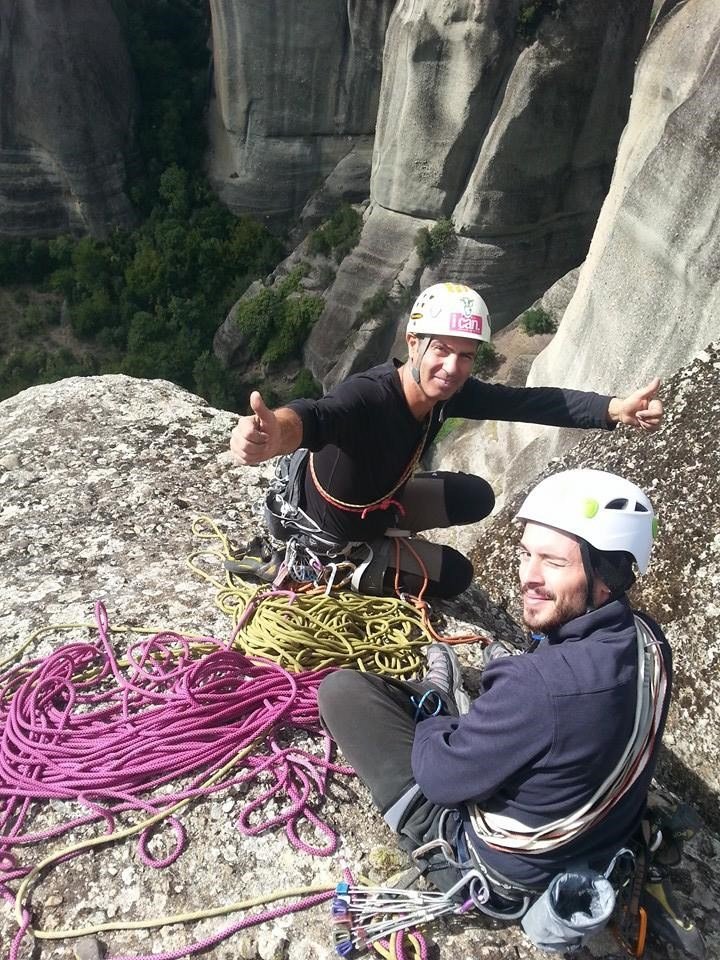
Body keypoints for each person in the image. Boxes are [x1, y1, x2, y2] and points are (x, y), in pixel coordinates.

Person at [318, 469, 702, 955]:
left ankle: (439, 692)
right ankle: (465, 706)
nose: (528, 576)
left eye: (554, 562)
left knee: (342, 692)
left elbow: (439, 777)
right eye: (526, 553)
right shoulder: (650, 640)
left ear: (608, 576)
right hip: (600, 840)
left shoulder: (536, 685)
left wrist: (442, 721)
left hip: (496, 874)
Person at [229, 282, 663, 597]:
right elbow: (314, 417)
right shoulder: (369, 397)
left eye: (466, 356)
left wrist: (613, 409)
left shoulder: (447, 394)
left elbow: (527, 403)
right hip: (331, 533)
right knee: (457, 576)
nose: (453, 367)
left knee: (476, 496)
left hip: (382, 501)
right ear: (413, 344)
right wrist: (271, 436)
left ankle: (389, 532)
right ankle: (341, 569)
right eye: (442, 350)